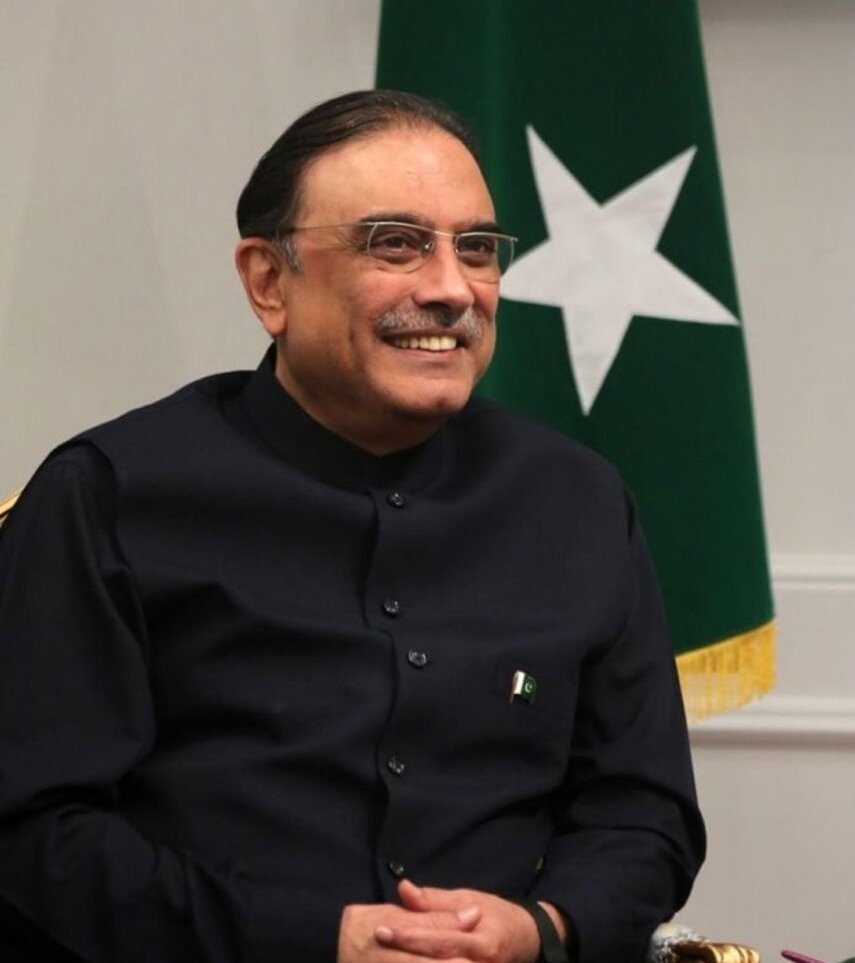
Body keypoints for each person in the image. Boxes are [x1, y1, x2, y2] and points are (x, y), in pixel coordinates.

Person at [0, 90, 704, 963]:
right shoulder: (111, 493)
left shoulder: (577, 501)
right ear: (269, 281)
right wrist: (312, 941)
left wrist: (541, 927)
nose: (450, 289)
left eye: (476, 249)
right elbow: (31, 831)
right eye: (395, 244)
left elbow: (642, 813)